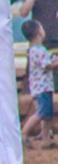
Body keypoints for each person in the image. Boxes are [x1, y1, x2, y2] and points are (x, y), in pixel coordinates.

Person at [22, 20, 58, 148]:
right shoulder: (38, 50)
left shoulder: (36, 50)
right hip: (41, 87)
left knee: (47, 115)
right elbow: (48, 65)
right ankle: (24, 133)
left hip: (43, 87)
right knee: (42, 112)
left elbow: (51, 59)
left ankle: (46, 140)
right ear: (38, 31)